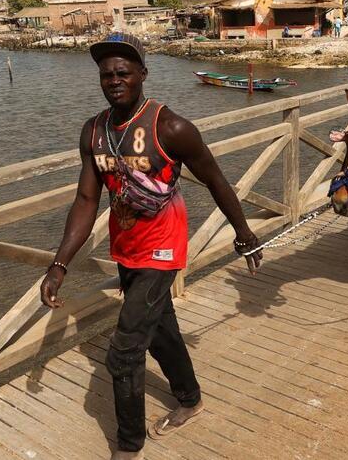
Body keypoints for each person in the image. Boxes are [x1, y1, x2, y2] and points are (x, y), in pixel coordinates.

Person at [39, 32, 263, 459]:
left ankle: (128, 446)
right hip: (126, 247)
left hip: (163, 247)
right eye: (106, 75)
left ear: (143, 74)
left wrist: (245, 235)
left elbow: (216, 180)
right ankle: (190, 398)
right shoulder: (94, 131)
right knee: (161, 331)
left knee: (123, 354)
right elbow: (87, 200)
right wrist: (59, 264)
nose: (114, 80)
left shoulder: (171, 127)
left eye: (123, 72)